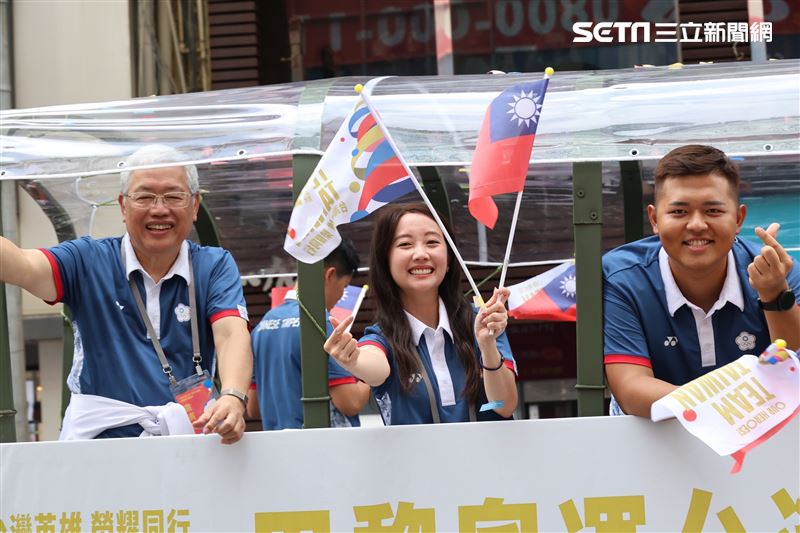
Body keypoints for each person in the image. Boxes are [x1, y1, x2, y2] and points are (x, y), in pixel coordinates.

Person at [0, 144, 253, 443]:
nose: (159, 209)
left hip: (186, 441)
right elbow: (23, 266)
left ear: (194, 205)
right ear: (123, 206)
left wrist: (234, 395)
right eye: (144, 196)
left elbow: (230, 334)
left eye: (173, 196)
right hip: (100, 446)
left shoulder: (214, 264)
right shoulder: (88, 260)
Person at [603, 145, 800, 417]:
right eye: (679, 212)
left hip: (763, 438)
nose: (696, 225)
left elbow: (792, 370)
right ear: (654, 219)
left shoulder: (778, 270)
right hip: (658, 442)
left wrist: (775, 294)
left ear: (739, 218)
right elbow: (632, 390)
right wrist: (727, 406)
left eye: (713, 211)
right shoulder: (622, 278)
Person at [324, 203, 518, 424]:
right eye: (405, 244)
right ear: (386, 261)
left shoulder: (483, 324)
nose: (420, 254)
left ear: (449, 259)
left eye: (432, 242)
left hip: (488, 459)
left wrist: (487, 346)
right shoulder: (381, 339)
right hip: (412, 460)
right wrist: (354, 360)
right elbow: (376, 369)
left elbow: (503, 405)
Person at [249, 240, 371, 429]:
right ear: (330, 275)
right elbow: (350, 402)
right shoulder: (320, 323)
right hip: (321, 450)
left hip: (276, 449)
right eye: (344, 287)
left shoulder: (262, 326)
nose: (341, 296)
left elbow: (253, 408)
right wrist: (371, 375)